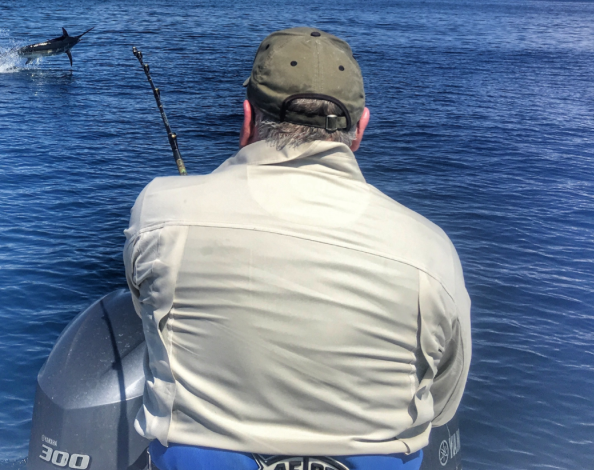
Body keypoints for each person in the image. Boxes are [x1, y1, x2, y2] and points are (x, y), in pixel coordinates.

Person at [124, 27, 471, 470]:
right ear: (360, 128)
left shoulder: (159, 211)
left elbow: (143, 309)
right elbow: (442, 405)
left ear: (248, 117)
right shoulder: (431, 252)